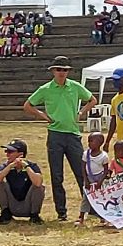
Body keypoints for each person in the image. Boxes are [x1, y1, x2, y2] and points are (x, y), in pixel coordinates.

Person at [23, 58, 96, 224]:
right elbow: (28, 105)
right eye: (58, 70)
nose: (62, 73)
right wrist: (42, 116)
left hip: (73, 134)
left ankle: (90, 207)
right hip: (55, 134)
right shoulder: (46, 89)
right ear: (53, 71)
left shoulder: (75, 86)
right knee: (57, 176)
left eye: (64, 70)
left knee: (81, 173)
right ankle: (61, 212)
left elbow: (92, 100)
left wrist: (81, 112)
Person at [0, 139, 46, 223]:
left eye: (10, 151)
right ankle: (5, 214)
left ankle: (34, 216)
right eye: (6, 151)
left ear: (21, 154)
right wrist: (9, 167)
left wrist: (26, 167)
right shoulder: (6, 166)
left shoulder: (32, 166)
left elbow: (38, 183)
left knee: (39, 186)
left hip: (27, 204)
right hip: (13, 204)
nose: (7, 154)